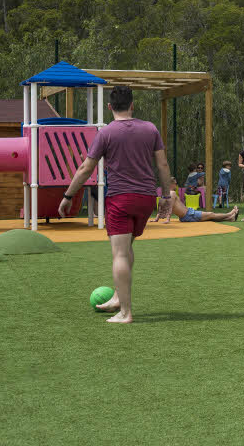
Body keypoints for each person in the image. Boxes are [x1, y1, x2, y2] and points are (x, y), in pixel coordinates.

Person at [58, 85, 172, 324]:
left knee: (119, 254)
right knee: (127, 248)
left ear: (110, 106)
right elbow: (162, 165)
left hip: (120, 199)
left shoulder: (106, 133)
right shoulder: (150, 129)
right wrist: (166, 196)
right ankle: (119, 298)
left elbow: (86, 168)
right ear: (132, 105)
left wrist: (68, 196)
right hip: (145, 199)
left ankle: (125, 313)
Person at [153, 178, 238, 222]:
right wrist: (167, 219)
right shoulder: (172, 193)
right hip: (189, 214)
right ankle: (229, 214)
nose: (176, 185)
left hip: (187, 214)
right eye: (175, 183)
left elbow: (161, 207)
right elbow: (170, 207)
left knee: (208, 217)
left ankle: (230, 218)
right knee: (211, 214)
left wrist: (156, 219)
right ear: (171, 184)